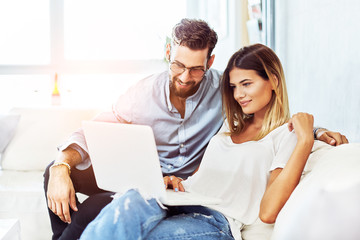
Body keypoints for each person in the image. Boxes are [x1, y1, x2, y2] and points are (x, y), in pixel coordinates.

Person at [44, 19, 348, 240]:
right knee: (122, 202)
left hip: (211, 215)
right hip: (171, 192)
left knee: (106, 217)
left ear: (210, 62)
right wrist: (61, 165)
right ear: (167, 53)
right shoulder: (225, 123)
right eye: (178, 65)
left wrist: (313, 133)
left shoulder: (233, 102)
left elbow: (282, 125)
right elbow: (93, 130)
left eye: (196, 69)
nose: (185, 77)